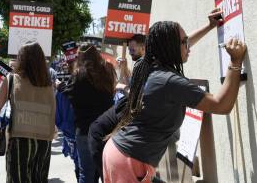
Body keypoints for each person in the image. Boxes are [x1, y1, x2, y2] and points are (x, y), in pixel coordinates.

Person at [102, 9, 247, 182]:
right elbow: (221, 105)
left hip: (117, 153)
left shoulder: (146, 65)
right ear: (170, 48)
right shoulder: (169, 81)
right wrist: (235, 61)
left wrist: (209, 26)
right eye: (184, 42)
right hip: (129, 162)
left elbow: (180, 44)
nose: (188, 47)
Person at [0, 42, 56, 183]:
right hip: (44, 142)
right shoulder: (49, 83)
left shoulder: (12, 79)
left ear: (21, 58)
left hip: (20, 141)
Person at [64, 43, 116, 183]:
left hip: (85, 129)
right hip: (106, 129)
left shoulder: (78, 74)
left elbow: (69, 95)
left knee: (86, 173)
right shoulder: (108, 70)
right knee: (104, 172)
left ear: (80, 56)